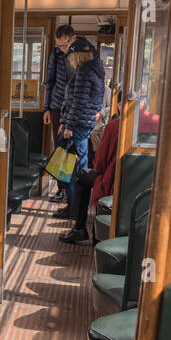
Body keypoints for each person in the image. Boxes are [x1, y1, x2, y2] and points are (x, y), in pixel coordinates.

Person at [58, 35, 108, 244]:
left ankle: (76, 220)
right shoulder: (96, 69)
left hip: (77, 126)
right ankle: (75, 214)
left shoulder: (85, 71)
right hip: (85, 124)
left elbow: (78, 102)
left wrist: (68, 125)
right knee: (78, 169)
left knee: (74, 172)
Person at [42, 25, 76, 199]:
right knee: (59, 148)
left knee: (73, 150)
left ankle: (73, 192)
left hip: (74, 109)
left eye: (65, 45)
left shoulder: (82, 55)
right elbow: (50, 81)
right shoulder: (55, 55)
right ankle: (61, 189)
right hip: (56, 106)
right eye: (59, 45)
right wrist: (46, 108)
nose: (62, 49)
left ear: (72, 39)